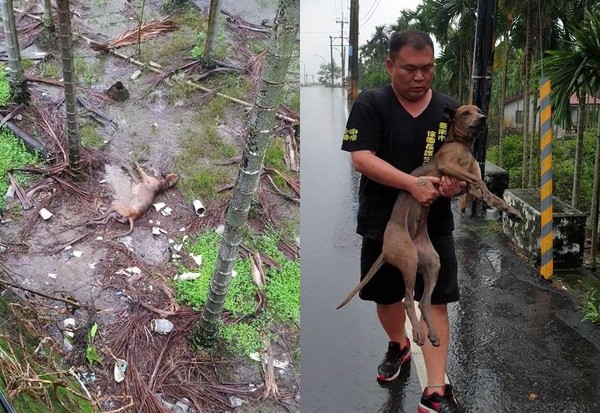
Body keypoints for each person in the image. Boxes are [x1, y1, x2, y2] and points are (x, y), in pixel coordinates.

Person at [341, 29, 465, 413]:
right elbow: (360, 157)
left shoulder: (449, 110)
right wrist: (413, 184)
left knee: (437, 299)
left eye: (427, 69)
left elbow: (460, 167)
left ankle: (434, 392)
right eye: (410, 69)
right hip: (383, 221)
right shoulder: (371, 103)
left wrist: (454, 186)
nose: (419, 77)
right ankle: (399, 344)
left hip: (432, 223)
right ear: (390, 65)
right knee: (386, 294)